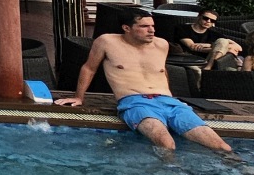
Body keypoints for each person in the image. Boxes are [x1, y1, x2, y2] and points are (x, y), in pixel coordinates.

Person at [54, 12, 232, 152]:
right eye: (144, 26)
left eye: (153, 26)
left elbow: (162, 72)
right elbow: (89, 68)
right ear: (127, 28)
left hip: (169, 102)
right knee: (167, 143)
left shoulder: (161, 44)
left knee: (222, 147)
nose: (151, 30)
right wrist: (79, 97)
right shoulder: (107, 42)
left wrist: (170, 96)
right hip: (135, 102)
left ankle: (241, 172)